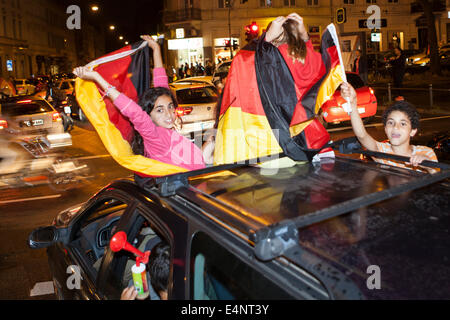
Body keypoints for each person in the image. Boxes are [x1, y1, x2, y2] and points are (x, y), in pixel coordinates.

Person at [73, 35, 205, 171]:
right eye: (159, 110)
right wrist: (97, 77)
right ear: (149, 115)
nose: (169, 114)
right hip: (189, 187)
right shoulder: (155, 137)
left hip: (201, 179)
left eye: (170, 107)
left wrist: (156, 49)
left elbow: (162, 86)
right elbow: (134, 112)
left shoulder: (168, 131)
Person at [342, 82, 438, 173]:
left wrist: (429, 166)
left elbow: (439, 180)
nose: (395, 127)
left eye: (403, 124)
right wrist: (353, 103)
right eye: (391, 123)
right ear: (385, 129)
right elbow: (362, 136)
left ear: (412, 131)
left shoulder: (426, 152)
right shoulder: (382, 153)